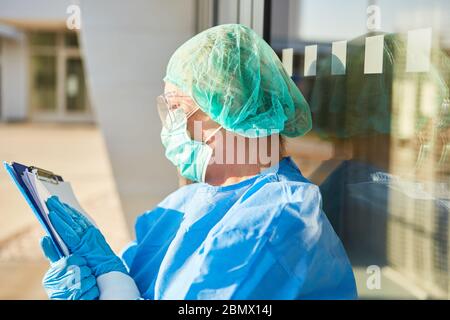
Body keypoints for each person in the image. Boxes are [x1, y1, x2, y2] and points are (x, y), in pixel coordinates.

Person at [40, 24, 357, 300]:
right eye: (168, 108)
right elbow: (135, 276)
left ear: (230, 111)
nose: (172, 125)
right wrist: (99, 280)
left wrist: (112, 280)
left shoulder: (277, 219)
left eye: (180, 108)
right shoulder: (186, 201)